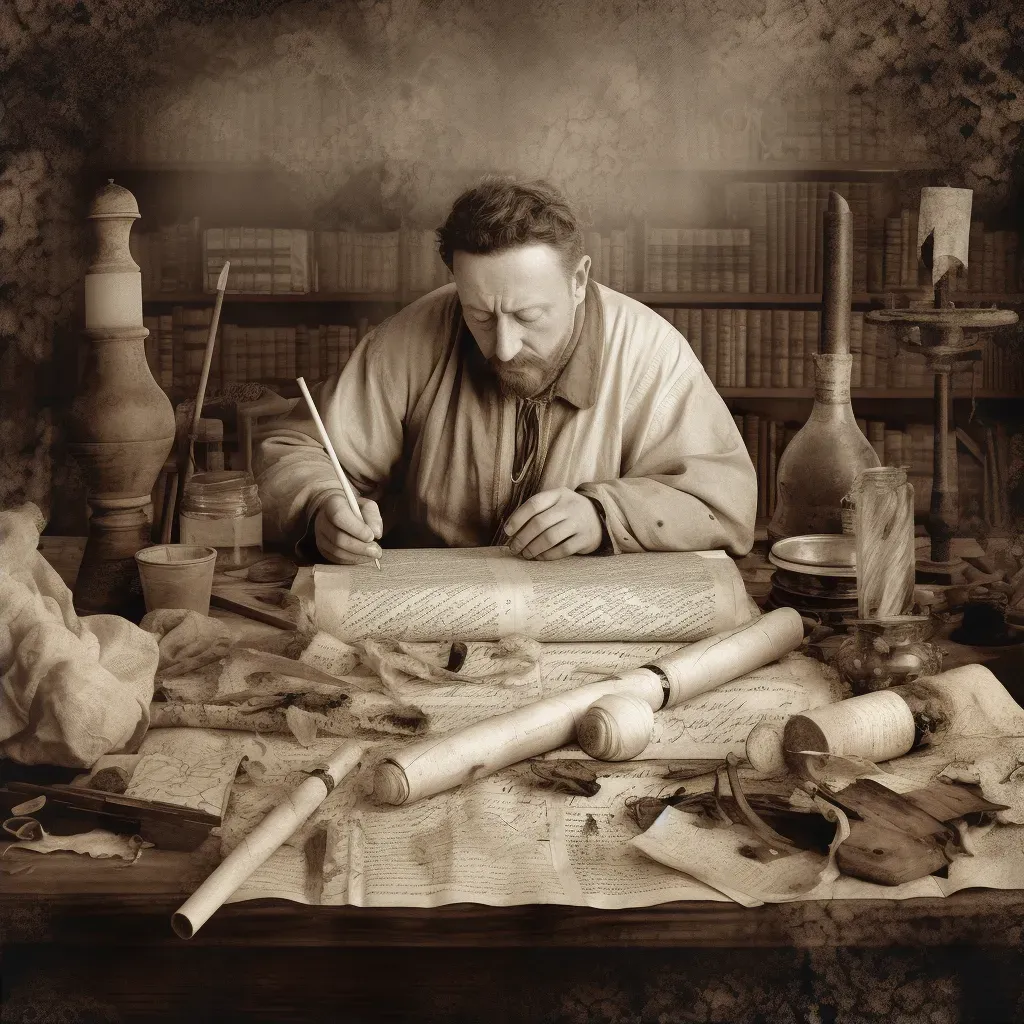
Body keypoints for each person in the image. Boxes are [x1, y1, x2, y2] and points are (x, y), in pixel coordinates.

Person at [254, 177, 757, 564]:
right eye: (479, 315)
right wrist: (323, 507)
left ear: (578, 280)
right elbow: (297, 449)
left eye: (528, 316)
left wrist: (605, 516)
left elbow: (727, 507)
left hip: (587, 624)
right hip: (431, 611)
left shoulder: (652, 354)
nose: (504, 346)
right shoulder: (414, 334)